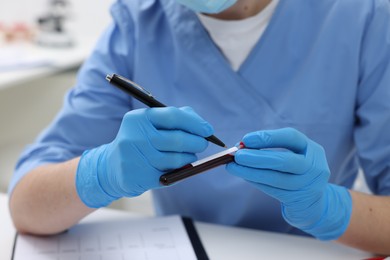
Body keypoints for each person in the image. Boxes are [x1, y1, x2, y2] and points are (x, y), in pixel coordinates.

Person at [8, 0, 390, 255]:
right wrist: (102, 172)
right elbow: (26, 206)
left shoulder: (362, 15)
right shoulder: (140, 20)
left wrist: (327, 207)